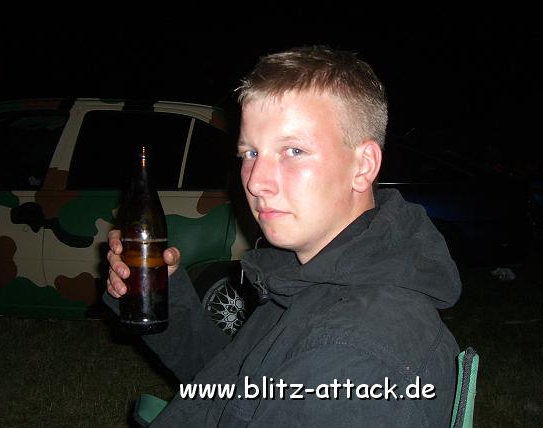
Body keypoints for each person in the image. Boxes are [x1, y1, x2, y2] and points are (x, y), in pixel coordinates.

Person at [105, 45, 462, 427]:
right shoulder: (311, 284)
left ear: (363, 166)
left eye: (293, 150)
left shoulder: (354, 357)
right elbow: (230, 388)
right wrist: (162, 292)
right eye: (250, 153)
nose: (256, 182)